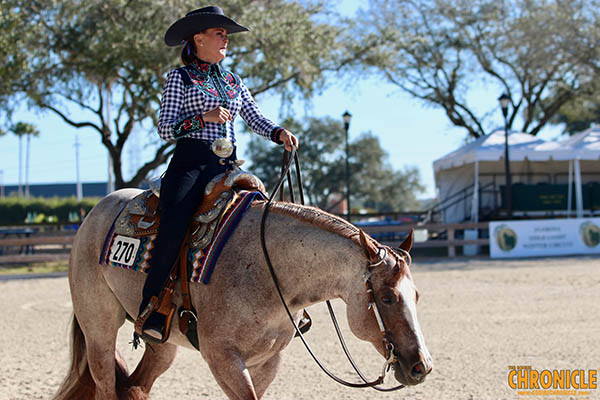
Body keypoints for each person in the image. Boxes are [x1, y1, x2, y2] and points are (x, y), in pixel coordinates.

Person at [137, 5, 299, 340]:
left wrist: (278, 133)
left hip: (228, 165)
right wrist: (203, 119)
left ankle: (281, 306)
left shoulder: (233, 81)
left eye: (226, 34)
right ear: (198, 39)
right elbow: (165, 129)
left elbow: (253, 116)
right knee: (175, 219)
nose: (226, 39)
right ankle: (154, 304)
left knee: (263, 219)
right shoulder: (178, 79)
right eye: (219, 33)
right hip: (190, 163)